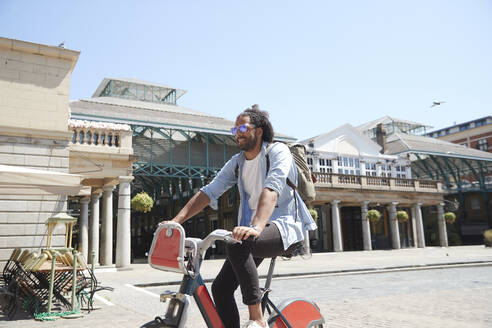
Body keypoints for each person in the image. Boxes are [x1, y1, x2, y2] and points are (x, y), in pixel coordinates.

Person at [167, 105, 317, 328]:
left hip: (284, 226)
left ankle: (257, 319)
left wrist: (256, 226)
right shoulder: (237, 162)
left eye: (243, 127)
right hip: (252, 232)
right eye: (234, 129)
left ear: (258, 130)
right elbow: (210, 191)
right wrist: (174, 221)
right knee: (221, 288)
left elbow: (272, 189)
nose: (237, 133)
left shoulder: (277, 152)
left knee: (237, 245)